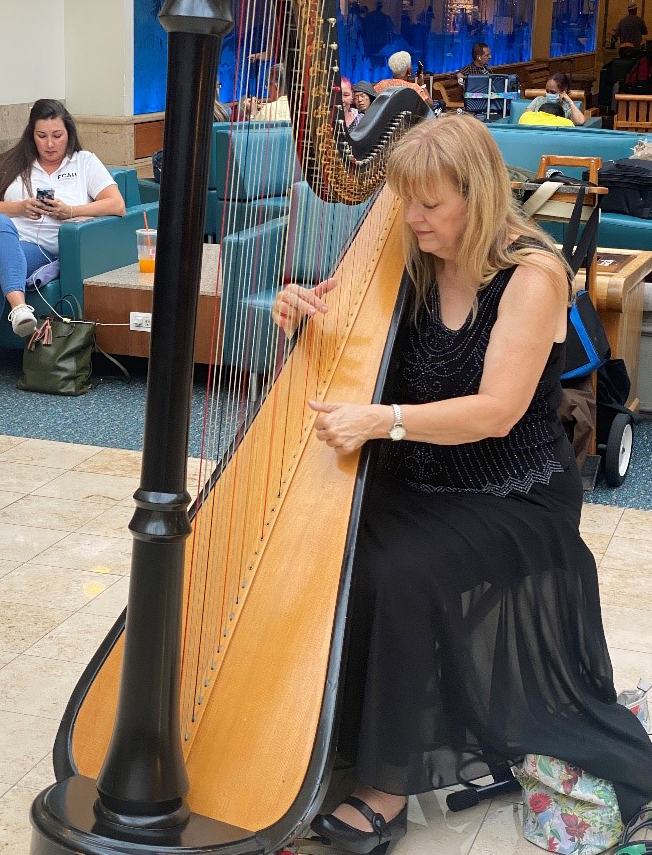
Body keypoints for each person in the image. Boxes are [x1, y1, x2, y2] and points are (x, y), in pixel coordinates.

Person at [272, 114, 652, 850]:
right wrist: (299, 316)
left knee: (397, 572)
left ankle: (383, 787)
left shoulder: (531, 272)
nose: (411, 217)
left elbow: (495, 412)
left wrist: (379, 422)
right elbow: (344, 353)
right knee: (318, 542)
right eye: (404, 201)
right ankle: (318, 736)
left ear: (475, 198)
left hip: (508, 489)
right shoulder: (404, 254)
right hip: (417, 468)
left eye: (430, 204)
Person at [0, 98, 125, 397]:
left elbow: (117, 205)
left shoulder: (84, 162)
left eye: (57, 135)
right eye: (41, 136)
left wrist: (69, 211)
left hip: (32, 252)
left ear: (68, 132)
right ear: (31, 134)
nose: (49, 144)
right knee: (0, 224)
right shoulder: (13, 162)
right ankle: (19, 307)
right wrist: (19, 207)